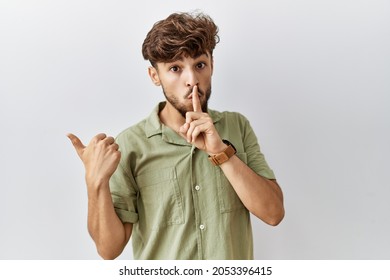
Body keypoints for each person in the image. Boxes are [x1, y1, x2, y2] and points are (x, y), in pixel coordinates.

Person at [67, 11, 284, 260]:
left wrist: (221, 153)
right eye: (175, 68)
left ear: (212, 65)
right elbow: (109, 249)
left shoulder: (237, 126)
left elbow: (273, 213)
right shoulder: (130, 144)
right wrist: (96, 182)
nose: (192, 80)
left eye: (199, 65)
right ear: (155, 76)